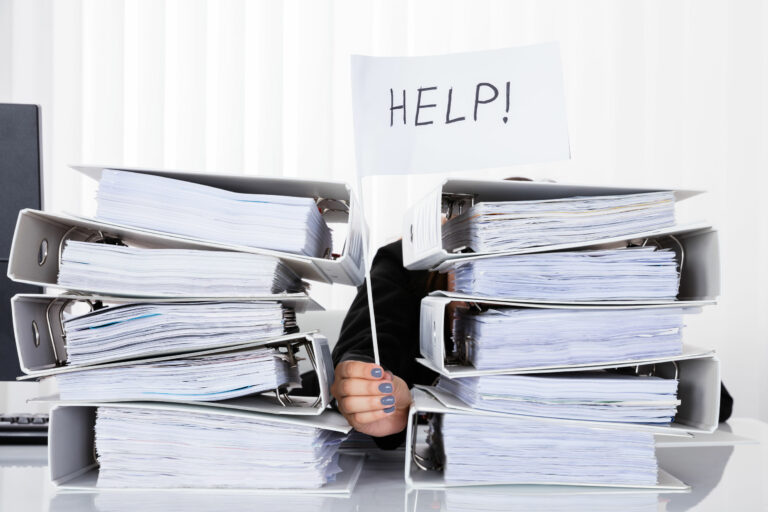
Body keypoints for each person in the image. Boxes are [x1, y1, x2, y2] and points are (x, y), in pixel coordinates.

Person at [330, 221, 734, 450]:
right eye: (480, 271)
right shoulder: (406, 267)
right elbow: (367, 352)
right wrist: (374, 395)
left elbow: (711, 402)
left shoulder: (573, 313)